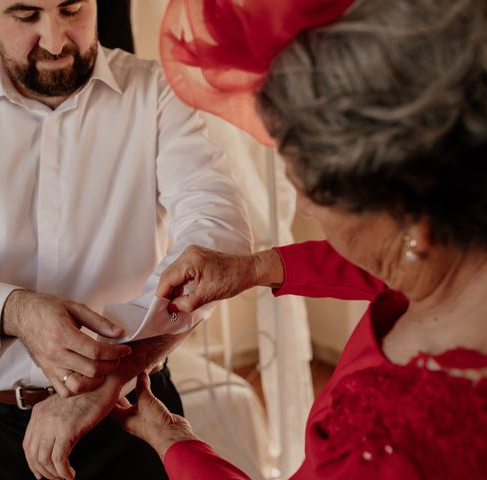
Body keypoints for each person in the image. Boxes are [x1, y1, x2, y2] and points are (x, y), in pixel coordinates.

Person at [0, 1, 252, 479]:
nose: (55, 41)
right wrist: (14, 311)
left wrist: (112, 372)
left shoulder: (155, 90)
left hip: (132, 413)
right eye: (26, 16)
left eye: (72, 9)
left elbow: (220, 234)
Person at [110, 0, 487, 478]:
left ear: (411, 217)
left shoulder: (386, 434)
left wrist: (173, 440)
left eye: (320, 194)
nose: (305, 208)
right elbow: (384, 269)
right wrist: (251, 268)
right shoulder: (455, 250)